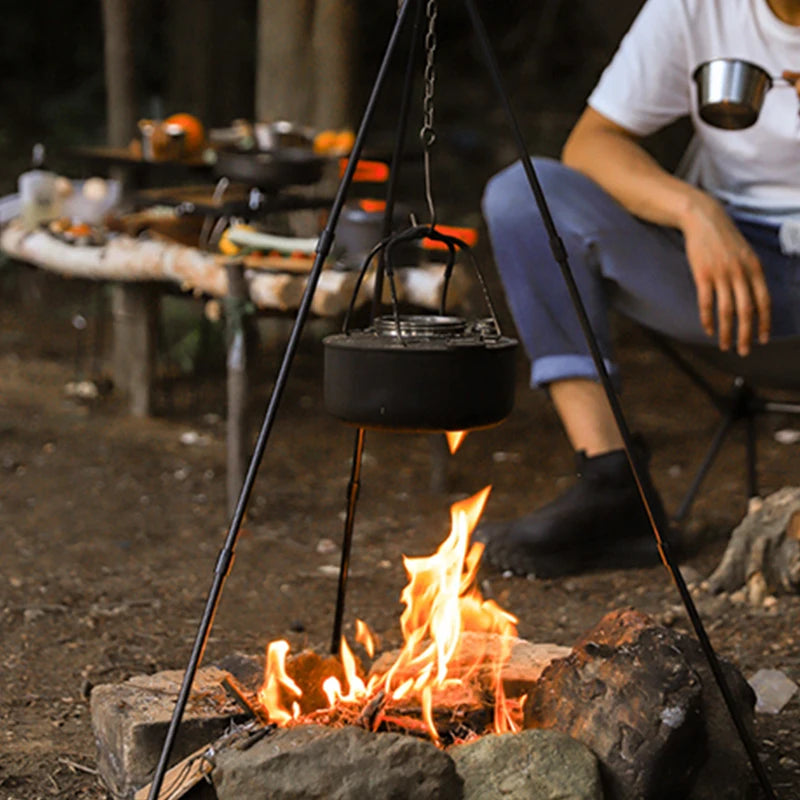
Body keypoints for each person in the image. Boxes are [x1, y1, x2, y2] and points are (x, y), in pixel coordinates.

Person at [477, 0, 800, 578]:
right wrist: (694, 211)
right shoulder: (697, 7)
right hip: (718, 277)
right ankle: (612, 485)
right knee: (527, 196)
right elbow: (594, 141)